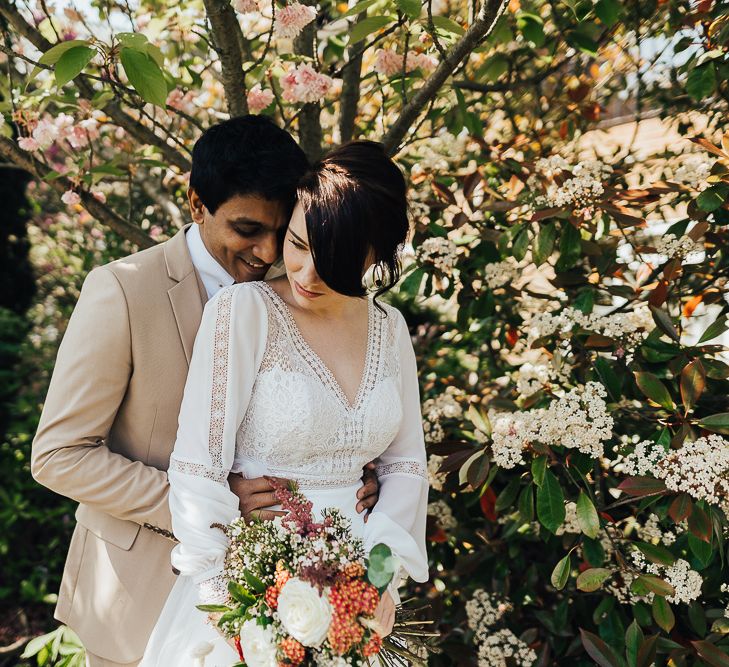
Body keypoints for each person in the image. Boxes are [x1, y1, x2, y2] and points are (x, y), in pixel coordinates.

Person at [31, 116, 380, 667]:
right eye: (247, 230)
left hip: (279, 603)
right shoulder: (122, 289)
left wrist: (353, 471)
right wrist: (209, 505)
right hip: (139, 594)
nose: (267, 253)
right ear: (196, 203)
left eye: (279, 230)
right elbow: (58, 456)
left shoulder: (298, 292)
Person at [140, 140, 430, 666]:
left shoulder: (391, 329)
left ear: (376, 255)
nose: (305, 273)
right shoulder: (243, 312)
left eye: (335, 259)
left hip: (361, 596)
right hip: (250, 594)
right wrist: (227, 605)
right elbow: (197, 465)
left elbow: (406, 465)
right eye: (297, 244)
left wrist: (381, 576)